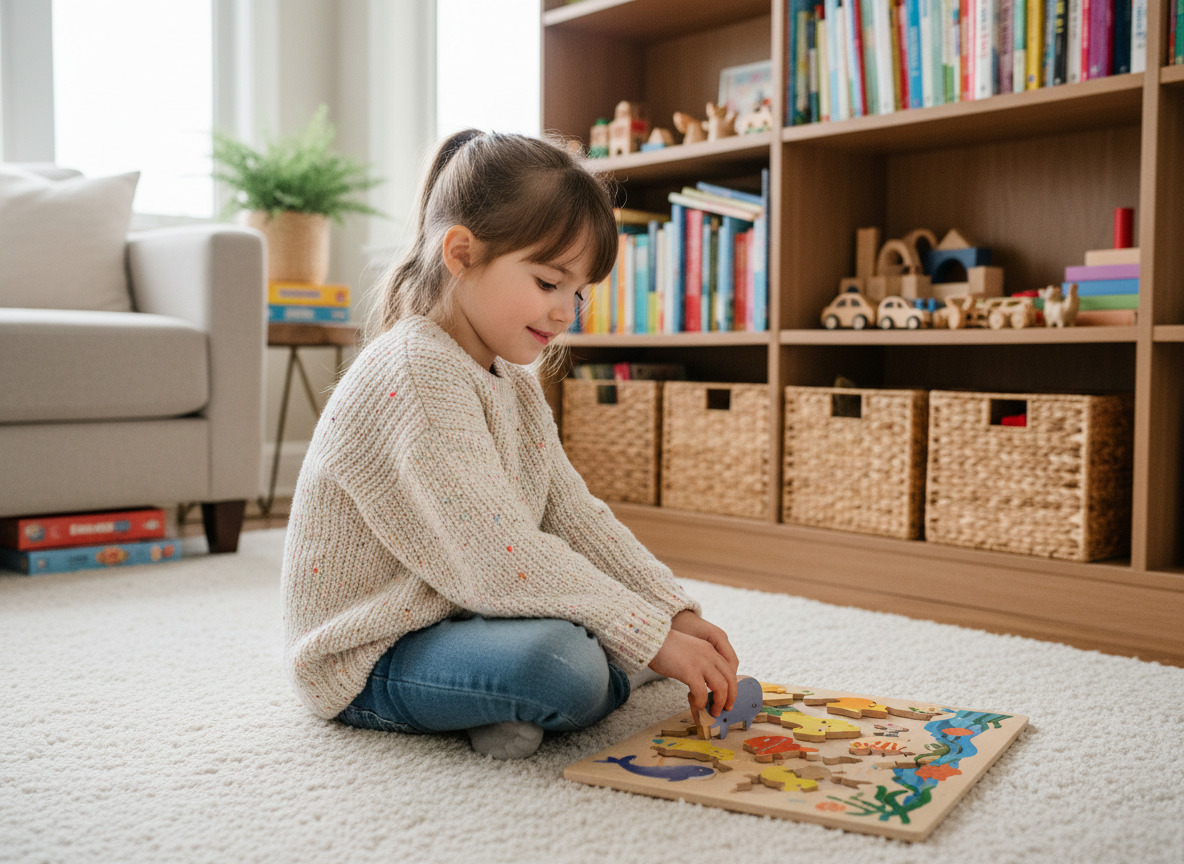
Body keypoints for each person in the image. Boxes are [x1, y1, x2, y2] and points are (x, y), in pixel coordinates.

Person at [281, 129, 739, 760]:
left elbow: (573, 515)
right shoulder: (415, 371)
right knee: (561, 665)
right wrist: (649, 638)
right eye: (549, 282)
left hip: (465, 613)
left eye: (579, 293)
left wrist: (670, 610)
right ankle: (536, 691)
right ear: (461, 253)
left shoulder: (513, 382)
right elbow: (498, 557)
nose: (567, 312)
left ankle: (511, 701)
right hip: (373, 652)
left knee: (603, 633)